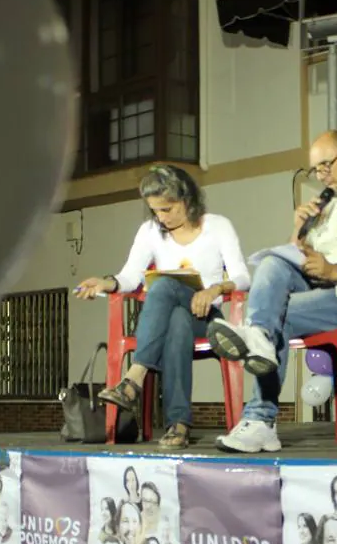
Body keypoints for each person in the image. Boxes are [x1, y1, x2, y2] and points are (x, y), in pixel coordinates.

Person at [206, 131, 337, 453]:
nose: (321, 176)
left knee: (277, 316)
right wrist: (299, 230)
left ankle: (259, 417)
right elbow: (305, 258)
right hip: (326, 291)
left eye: (326, 166)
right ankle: (259, 338)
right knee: (272, 264)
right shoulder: (331, 208)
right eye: (316, 170)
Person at [74, 165, 250, 449]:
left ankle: (134, 377)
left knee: (163, 286)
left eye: (167, 209)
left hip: (206, 316)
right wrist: (105, 283)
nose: (161, 217)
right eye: (155, 210)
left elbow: (243, 277)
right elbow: (130, 277)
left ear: (187, 200)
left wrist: (215, 289)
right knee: (177, 319)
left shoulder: (218, 226)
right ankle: (178, 426)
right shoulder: (150, 232)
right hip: (173, 319)